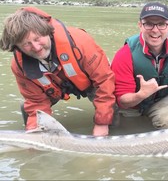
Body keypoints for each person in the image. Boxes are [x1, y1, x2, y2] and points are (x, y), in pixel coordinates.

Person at [0, 7, 116, 136]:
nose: (36, 47)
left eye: (37, 38)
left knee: (113, 102)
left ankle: (116, 131)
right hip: (55, 87)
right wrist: (35, 135)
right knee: (27, 109)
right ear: (17, 47)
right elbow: (36, 102)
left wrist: (102, 124)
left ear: (47, 32)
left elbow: (104, 81)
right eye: (26, 44)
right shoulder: (19, 66)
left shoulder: (81, 41)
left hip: (91, 82)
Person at [111, 2, 168, 129]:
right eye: (149, 24)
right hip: (131, 104)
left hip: (161, 98)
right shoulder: (124, 55)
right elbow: (123, 100)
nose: (155, 30)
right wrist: (141, 94)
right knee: (120, 130)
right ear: (140, 25)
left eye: (161, 24)